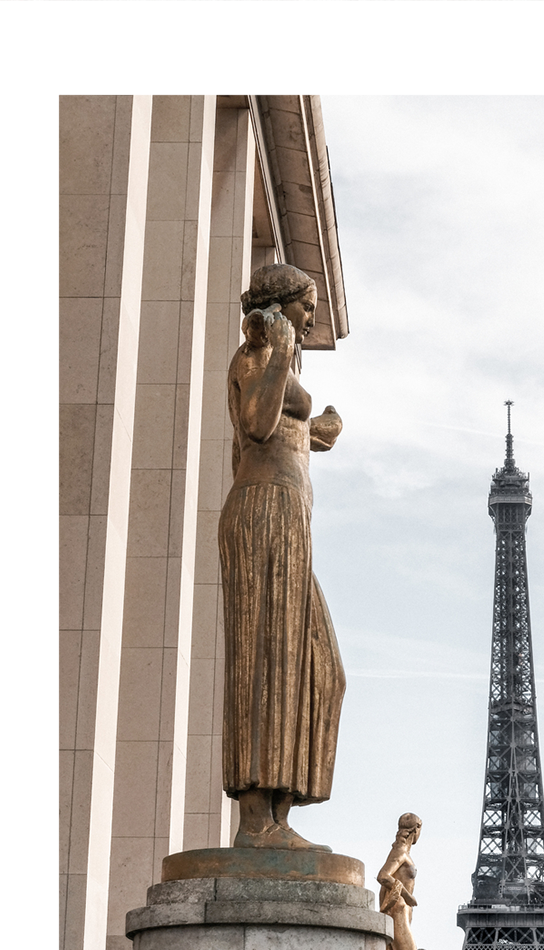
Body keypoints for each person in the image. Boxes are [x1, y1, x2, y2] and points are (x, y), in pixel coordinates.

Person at [219, 263, 345, 851]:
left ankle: (280, 811)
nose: (312, 315)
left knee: (318, 670)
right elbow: (258, 423)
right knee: (267, 660)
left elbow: (291, 432)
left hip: (290, 519)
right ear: (280, 304)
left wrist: (320, 428)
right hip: (262, 511)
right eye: (306, 304)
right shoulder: (255, 356)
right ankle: (256, 822)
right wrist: (277, 356)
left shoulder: (279, 362)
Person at [377, 813, 426, 950]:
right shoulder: (401, 852)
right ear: (417, 829)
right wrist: (408, 896)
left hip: (399, 914)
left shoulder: (402, 852)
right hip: (399, 913)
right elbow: (383, 876)